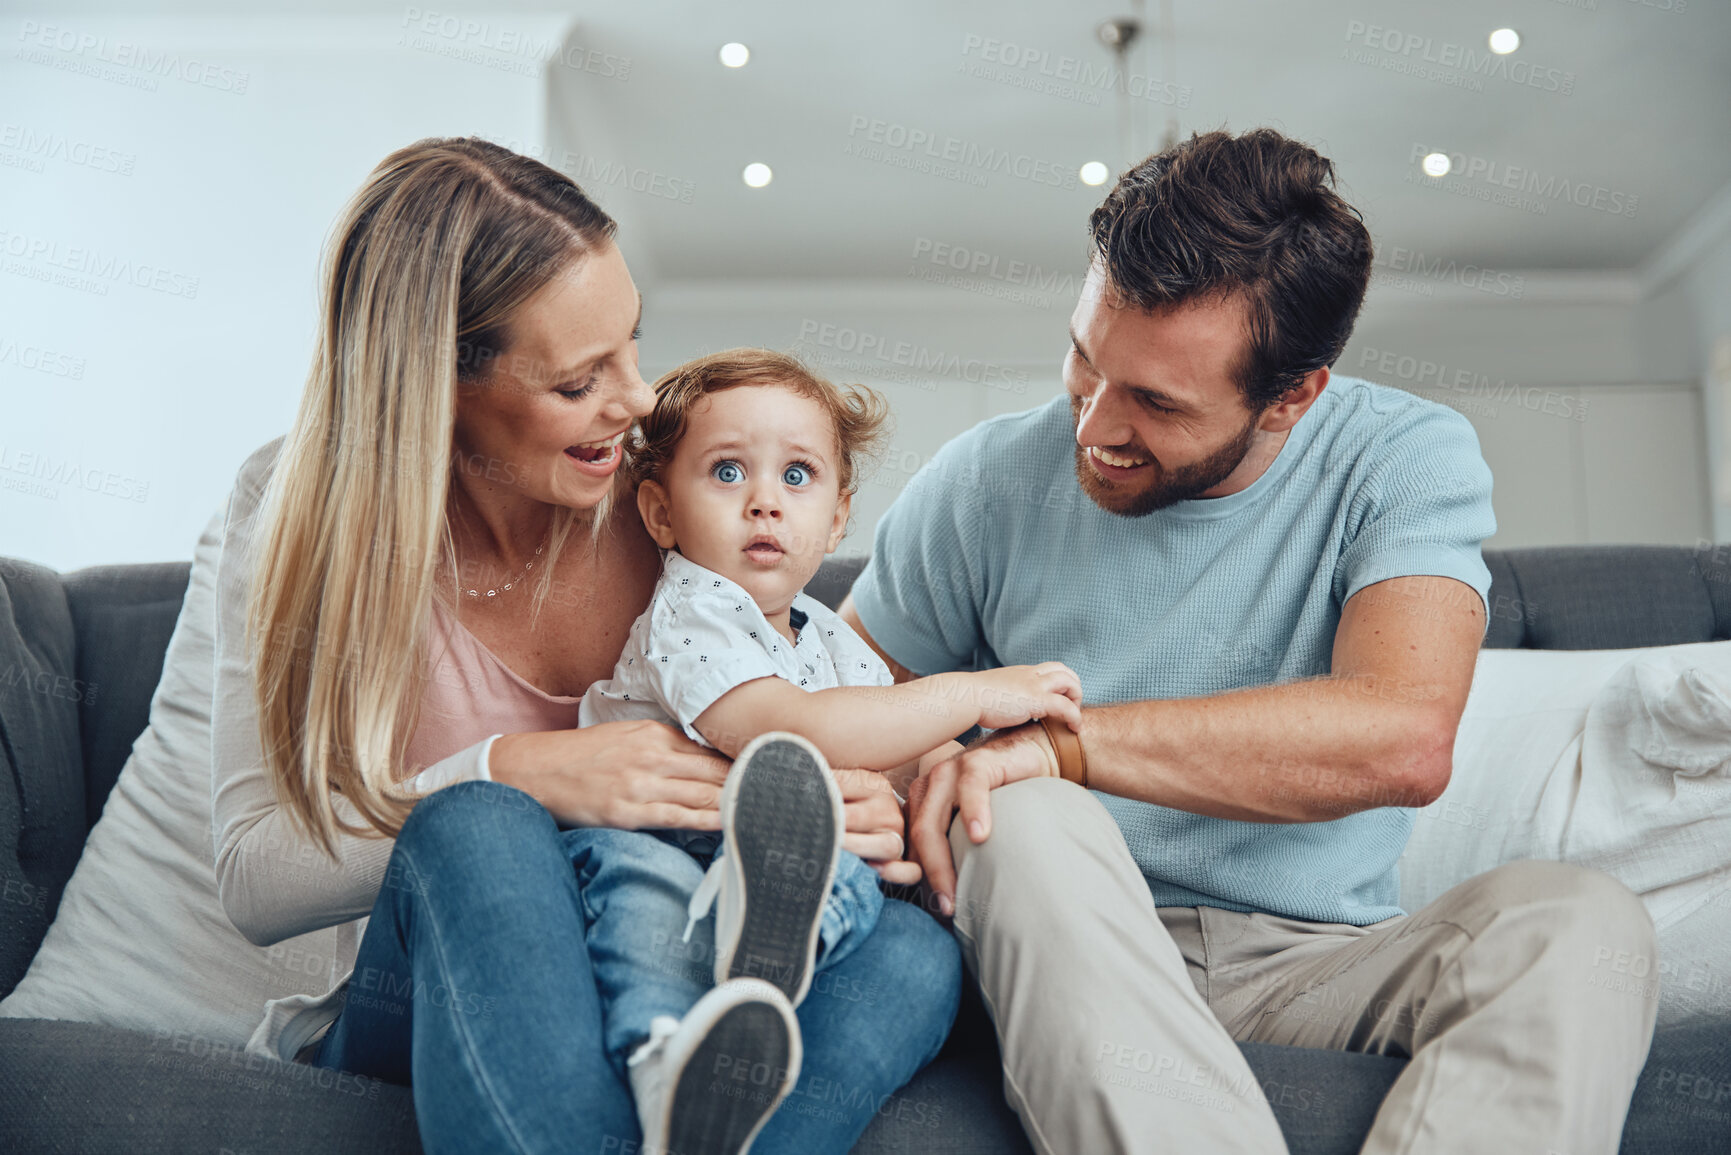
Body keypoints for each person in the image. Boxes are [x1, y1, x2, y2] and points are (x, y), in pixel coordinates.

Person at [840, 128, 1660, 1155]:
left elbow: (1399, 737)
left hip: (1315, 962)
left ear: (1292, 396)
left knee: (1583, 924)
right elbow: (833, 706)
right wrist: (931, 771)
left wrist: (1055, 745)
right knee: (1026, 814)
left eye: (1154, 402)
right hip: (1053, 949)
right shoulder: (983, 478)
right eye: (1085, 361)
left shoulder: (1400, 458)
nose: (1093, 425)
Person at [210, 136, 961, 1155]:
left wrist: (850, 797)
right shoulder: (299, 510)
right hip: (440, 993)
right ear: (439, 387)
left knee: (915, 953)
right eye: (578, 383)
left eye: (634, 345)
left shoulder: (679, 501)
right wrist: (521, 772)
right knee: (480, 827)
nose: (641, 401)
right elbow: (256, 874)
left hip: (683, 948)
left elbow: (812, 698)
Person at [569, 349, 1081, 1150]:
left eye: (797, 477)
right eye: (728, 472)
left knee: (864, 868)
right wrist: (973, 693)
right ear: (662, 514)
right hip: (649, 840)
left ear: (839, 519)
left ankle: (769, 948)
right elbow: (793, 727)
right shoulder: (692, 607)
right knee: (641, 908)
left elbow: (900, 750)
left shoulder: (829, 637)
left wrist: (978, 764)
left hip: (757, 863)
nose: (765, 502)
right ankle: (663, 1054)